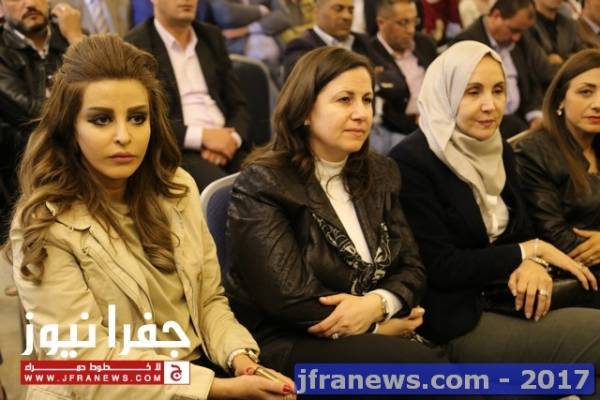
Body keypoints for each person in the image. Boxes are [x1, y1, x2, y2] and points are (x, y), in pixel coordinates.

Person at [8, 35, 294, 400]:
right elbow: (84, 363)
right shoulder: (45, 222)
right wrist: (215, 388)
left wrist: (240, 357)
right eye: (101, 120)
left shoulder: (176, 188)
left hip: (197, 373)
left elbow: (208, 302)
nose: (124, 136)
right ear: (69, 127)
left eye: (137, 118)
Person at [225, 47, 447, 382]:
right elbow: (290, 299)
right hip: (290, 342)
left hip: (370, 332)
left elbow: (412, 267)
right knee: (426, 371)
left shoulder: (380, 172)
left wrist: (379, 304)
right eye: (345, 100)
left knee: (439, 364)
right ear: (304, 110)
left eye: (367, 100)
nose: (361, 113)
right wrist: (378, 327)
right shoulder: (264, 182)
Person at [388, 41, 600, 377]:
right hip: (458, 319)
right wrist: (525, 253)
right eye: (473, 92)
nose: (490, 105)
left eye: (498, 90)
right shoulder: (411, 161)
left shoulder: (497, 148)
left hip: (511, 297)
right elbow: (441, 266)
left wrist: (531, 262)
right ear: (446, 93)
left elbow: (522, 231)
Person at [125, 0, 250, 191]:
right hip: (179, 148)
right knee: (226, 194)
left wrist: (232, 139)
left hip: (228, 140)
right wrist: (203, 137)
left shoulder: (210, 36)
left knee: (268, 182)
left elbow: (238, 103)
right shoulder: (136, 44)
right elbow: (147, 118)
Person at [515, 49, 600, 286]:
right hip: (568, 276)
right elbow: (554, 236)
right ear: (560, 99)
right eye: (586, 92)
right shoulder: (533, 152)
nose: (598, 104)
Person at [0, 0, 83, 240]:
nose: (29, 3)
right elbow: (31, 114)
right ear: (2, 8)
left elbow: (109, 93)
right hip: (21, 181)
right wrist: (84, 112)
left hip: (82, 169)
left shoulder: (73, 37)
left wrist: (76, 38)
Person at [452, 0, 558, 138]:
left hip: (522, 119)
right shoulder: (465, 45)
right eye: (513, 30)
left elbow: (534, 79)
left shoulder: (521, 38)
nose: (516, 38)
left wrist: (535, 115)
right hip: (488, 125)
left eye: (521, 32)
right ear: (496, 16)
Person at [369, 0, 437, 153]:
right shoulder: (369, 53)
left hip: (435, 122)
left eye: (414, 21)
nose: (411, 30)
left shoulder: (425, 43)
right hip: (393, 130)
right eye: (403, 23)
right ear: (381, 23)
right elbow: (381, 111)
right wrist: (419, 121)